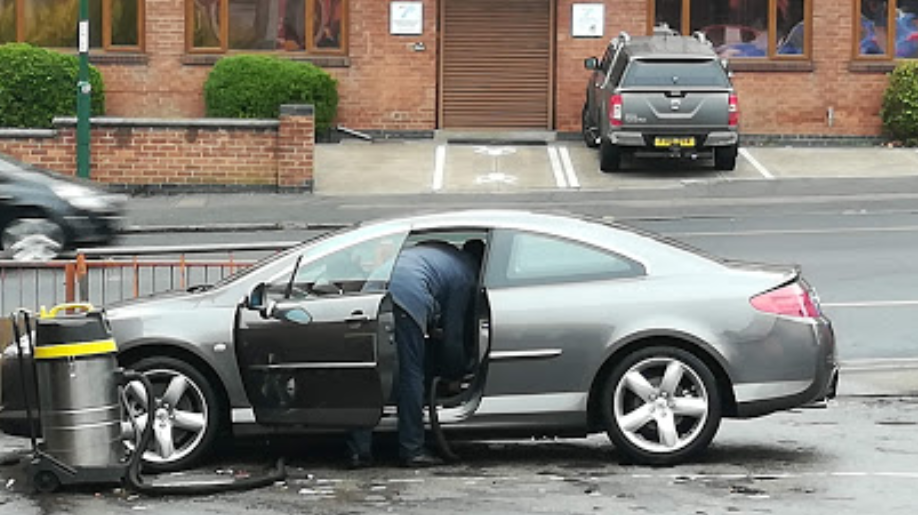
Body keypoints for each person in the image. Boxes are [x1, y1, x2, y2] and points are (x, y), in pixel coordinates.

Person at [346, 240, 479, 469]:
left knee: (369, 372)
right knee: (411, 373)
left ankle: (359, 452)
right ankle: (412, 450)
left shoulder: (441, 253)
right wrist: (455, 371)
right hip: (407, 298)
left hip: (371, 293)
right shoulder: (466, 275)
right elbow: (453, 336)